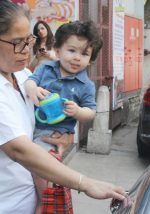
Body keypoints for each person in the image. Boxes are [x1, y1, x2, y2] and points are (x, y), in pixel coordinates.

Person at [0, 1, 126, 213]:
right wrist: (85, 183)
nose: (27, 50)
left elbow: (38, 119)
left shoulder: (22, 74)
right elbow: (19, 149)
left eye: (29, 40)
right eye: (18, 43)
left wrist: (59, 135)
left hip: (20, 198)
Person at [24, 20, 104, 213]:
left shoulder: (86, 85)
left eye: (84, 54)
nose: (77, 58)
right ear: (57, 51)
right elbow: (29, 82)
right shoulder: (45, 69)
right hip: (33, 127)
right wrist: (33, 89)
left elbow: (91, 112)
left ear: (90, 60)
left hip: (55, 134)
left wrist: (78, 111)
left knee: (42, 170)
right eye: (72, 51)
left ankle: (45, 201)